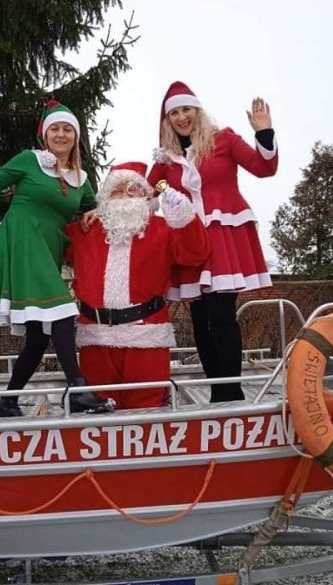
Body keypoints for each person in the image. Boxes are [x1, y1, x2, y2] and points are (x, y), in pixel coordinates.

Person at [0, 101, 113, 417]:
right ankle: (77, 389)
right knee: (62, 310)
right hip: (19, 241)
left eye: (67, 129)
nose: (61, 134)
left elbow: (93, 208)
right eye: (55, 129)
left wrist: (95, 212)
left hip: (46, 251)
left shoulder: (81, 179)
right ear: (45, 135)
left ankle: (8, 402)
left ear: (76, 136)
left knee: (38, 338)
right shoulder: (29, 160)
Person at [147, 82, 279, 403]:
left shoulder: (224, 140)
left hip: (223, 236)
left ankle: (231, 392)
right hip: (190, 244)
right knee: (200, 319)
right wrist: (162, 192)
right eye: (174, 113)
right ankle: (218, 391)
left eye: (186, 110)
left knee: (221, 313)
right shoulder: (166, 160)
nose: (181, 117)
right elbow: (147, 190)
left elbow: (264, 168)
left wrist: (264, 132)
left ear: (197, 111)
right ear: (167, 120)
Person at [65, 162, 209, 409]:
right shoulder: (85, 230)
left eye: (132, 190)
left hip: (147, 338)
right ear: (105, 198)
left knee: (147, 409)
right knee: (97, 411)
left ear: (145, 196)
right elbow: (46, 243)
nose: (124, 196)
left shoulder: (163, 229)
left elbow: (195, 253)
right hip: (96, 340)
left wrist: (183, 216)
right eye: (117, 190)